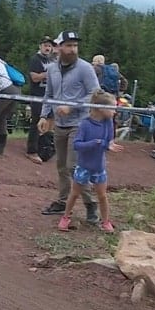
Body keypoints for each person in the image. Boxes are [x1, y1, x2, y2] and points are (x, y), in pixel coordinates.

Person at [38, 31, 101, 222]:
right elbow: (49, 94)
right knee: (61, 166)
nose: (73, 49)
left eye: (75, 45)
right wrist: (44, 115)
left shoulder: (85, 68)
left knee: (73, 166)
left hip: (80, 123)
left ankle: (90, 204)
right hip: (59, 124)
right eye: (69, 45)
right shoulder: (52, 69)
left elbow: (95, 93)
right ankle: (62, 201)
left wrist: (72, 106)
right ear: (59, 47)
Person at [58, 90, 123, 233]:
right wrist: (95, 143)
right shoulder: (85, 124)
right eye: (112, 108)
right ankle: (65, 217)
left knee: (102, 196)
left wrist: (108, 145)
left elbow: (108, 141)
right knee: (75, 193)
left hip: (99, 167)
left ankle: (106, 221)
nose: (115, 111)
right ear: (101, 108)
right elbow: (77, 145)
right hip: (83, 166)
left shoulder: (108, 123)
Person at [26, 36, 56, 164]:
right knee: (37, 122)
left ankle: (44, 148)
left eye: (49, 46)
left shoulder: (52, 60)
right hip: (38, 95)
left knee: (49, 122)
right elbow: (34, 77)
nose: (47, 48)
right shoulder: (35, 59)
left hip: (50, 96)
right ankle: (31, 150)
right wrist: (49, 74)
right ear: (40, 46)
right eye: (45, 45)